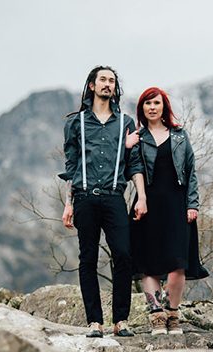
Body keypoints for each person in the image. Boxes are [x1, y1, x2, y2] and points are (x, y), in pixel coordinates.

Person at [59, 66, 147, 338]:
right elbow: (71, 166)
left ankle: (121, 320)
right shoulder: (76, 123)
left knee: (123, 254)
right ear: (92, 86)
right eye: (103, 80)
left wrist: (141, 196)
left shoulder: (126, 124)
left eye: (112, 81)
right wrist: (68, 203)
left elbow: (134, 164)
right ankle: (94, 322)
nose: (108, 84)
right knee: (88, 259)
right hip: (84, 198)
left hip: (114, 198)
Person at [129, 87, 208, 335]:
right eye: (147, 104)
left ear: (164, 107)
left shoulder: (180, 136)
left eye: (156, 103)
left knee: (178, 265)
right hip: (146, 206)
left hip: (177, 205)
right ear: (142, 109)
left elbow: (191, 172)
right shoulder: (137, 138)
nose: (152, 107)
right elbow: (129, 169)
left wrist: (192, 204)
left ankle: (173, 314)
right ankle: (156, 316)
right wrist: (125, 145)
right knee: (148, 264)